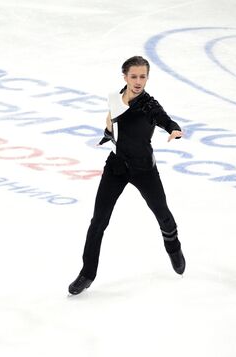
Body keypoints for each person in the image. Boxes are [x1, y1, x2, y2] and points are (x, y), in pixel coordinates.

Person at [68, 56, 185, 295]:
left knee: (162, 214)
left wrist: (173, 128)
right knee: (98, 221)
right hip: (116, 167)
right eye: (134, 76)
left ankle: (173, 247)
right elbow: (112, 118)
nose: (139, 81)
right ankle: (87, 274)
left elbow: (163, 118)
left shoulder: (149, 105)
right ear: (125, 77)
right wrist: (108, 132)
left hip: (144, 170)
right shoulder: (114, 97)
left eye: (143, 76)